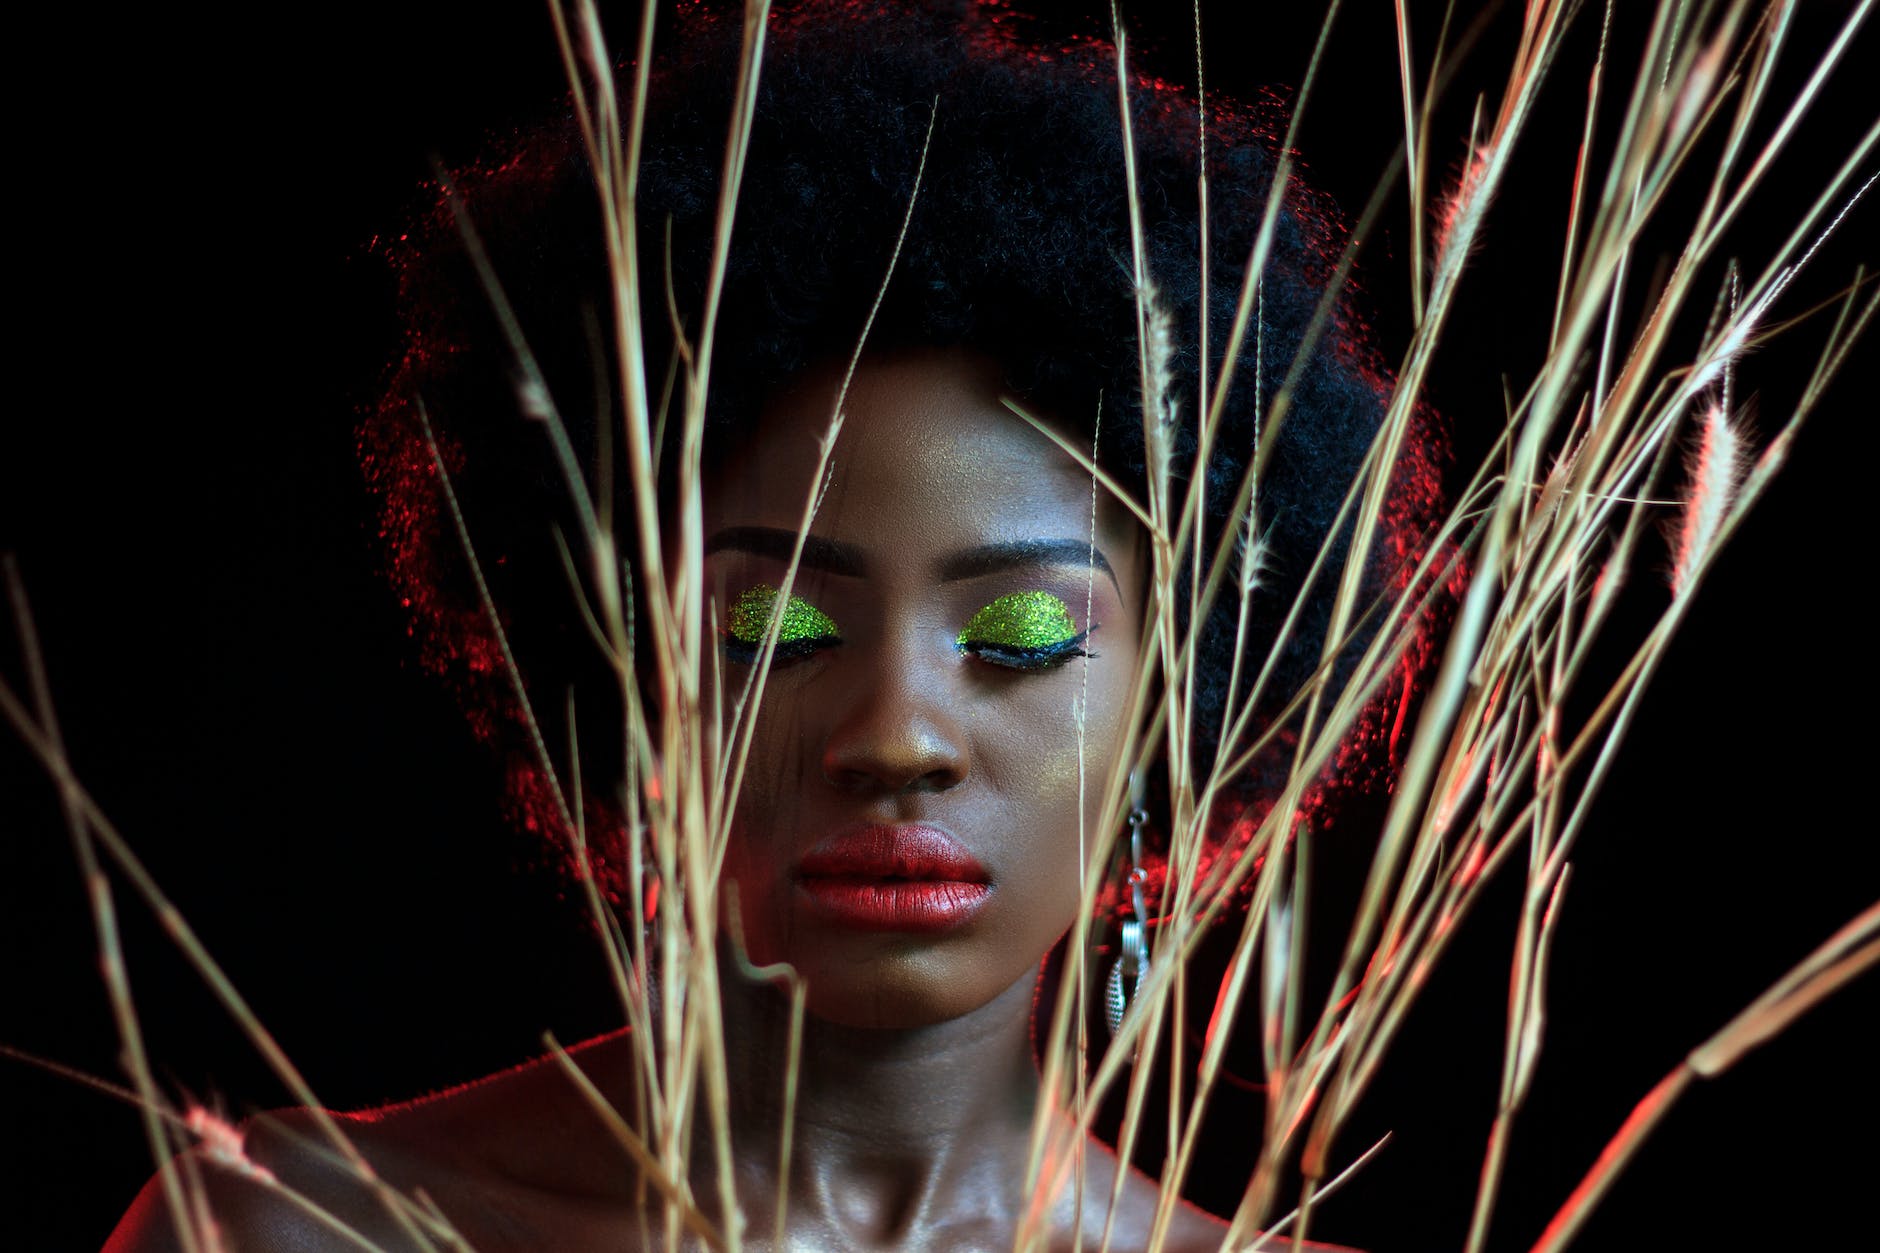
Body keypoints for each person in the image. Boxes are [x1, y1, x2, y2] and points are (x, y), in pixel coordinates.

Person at [104, 2, 1443, 1248]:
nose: (898, 736)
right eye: (779, 621)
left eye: (1027, 630)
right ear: (621, 656)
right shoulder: (292, 1228)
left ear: (1185, 687)